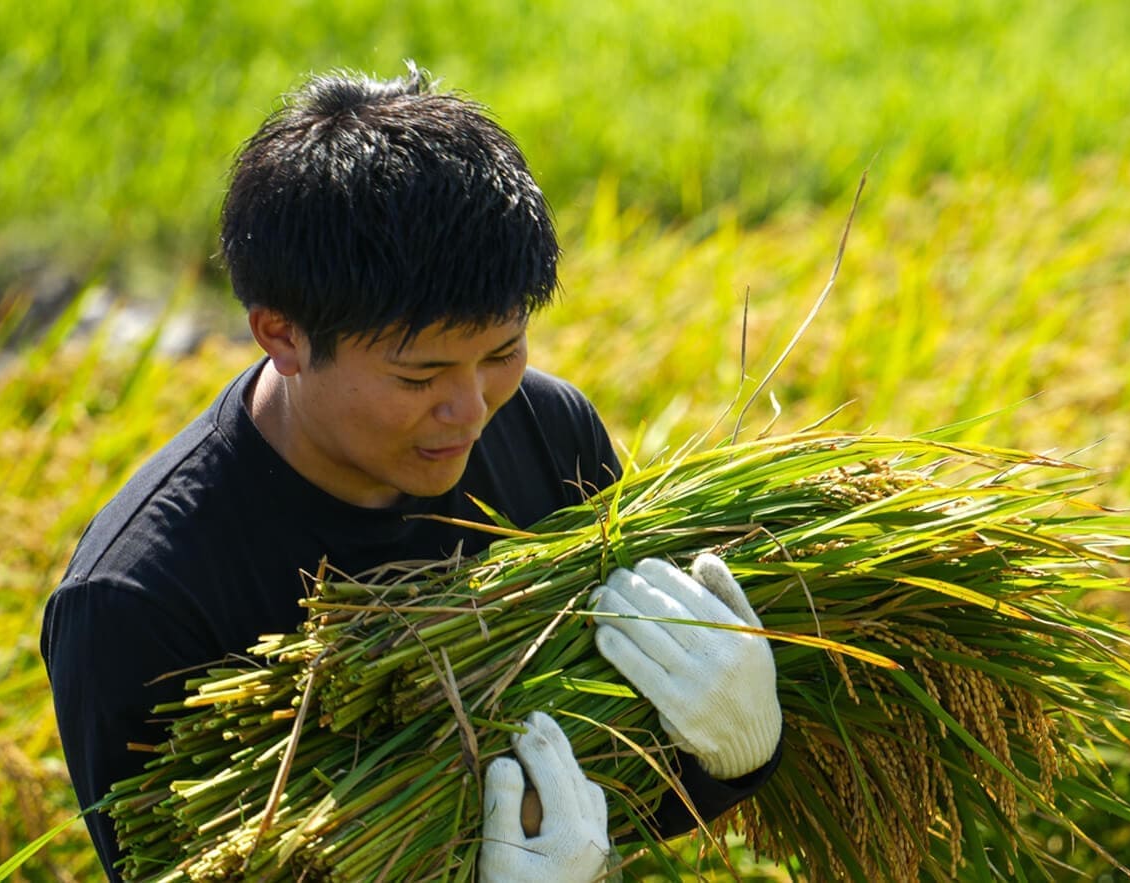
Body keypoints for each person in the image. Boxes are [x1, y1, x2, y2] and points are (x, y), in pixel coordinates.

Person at [40, 64, 784, 882]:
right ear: (281, 335)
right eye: (419, 377)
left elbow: (606, 787)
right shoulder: (140, 601)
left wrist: (732, 752)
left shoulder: (550, 432)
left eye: (502, 352)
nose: (470, 411)